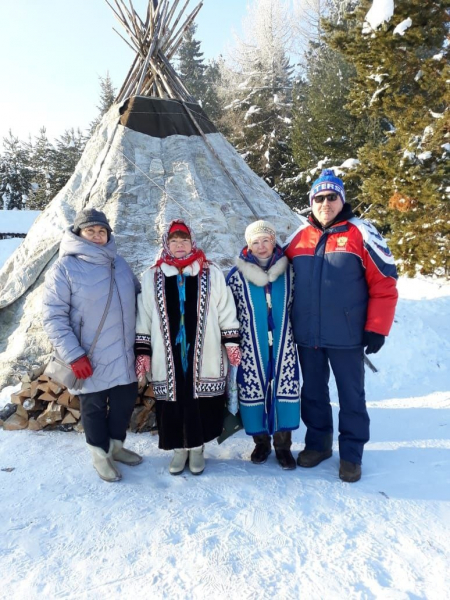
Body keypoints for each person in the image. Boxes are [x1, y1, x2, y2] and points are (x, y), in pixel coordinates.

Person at [285, 169, 398, 482]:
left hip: (346, 334)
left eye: (331, 197)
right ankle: (318, 444)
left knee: (351, 396)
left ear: (341, 199)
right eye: (319, 198)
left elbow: (385, 282)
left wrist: (377, 327)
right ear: (311, 201)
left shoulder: (361, 232)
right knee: (313, 393)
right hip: (308, 334)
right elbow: (272, 267)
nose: (325, 203)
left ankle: (351, 454)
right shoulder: (298, 236)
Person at [42, 208, 141, 483]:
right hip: (89, 355)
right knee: (94, 408)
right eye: (91, 231)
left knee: (123, 405)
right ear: (79, 233)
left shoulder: (119, 262)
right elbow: (53, 316)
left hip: (123, 353)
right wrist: (74, 355)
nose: (97, 236)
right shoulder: (64, 268)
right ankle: (100, 455)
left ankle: (116, 448)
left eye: (102, 231)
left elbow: (138, 297)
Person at [135, 220, 241, 476]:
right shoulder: (152, 276)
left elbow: (225, 309)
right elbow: (145, 316)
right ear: (167, 244)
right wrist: (143, 351)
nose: (179, 246)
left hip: (205, 352)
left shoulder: (210, 271)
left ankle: (197, 448)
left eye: (184, 241)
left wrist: (231, 342)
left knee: (201, 400)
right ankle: (178, 449)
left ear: (192, 243)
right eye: (174, 241)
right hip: (167, 353)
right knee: (173, 401)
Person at [227, 221, 300, 470]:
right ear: (248, 245)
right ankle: (261, 443)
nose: (261, 246)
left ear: (273, 241)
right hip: (251, 347)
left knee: (283, 389)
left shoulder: (289, 272)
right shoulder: (236, 277)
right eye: (255, 242)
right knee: (253, 391)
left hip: (283, 345)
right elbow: (227, 312)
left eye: (265, 240)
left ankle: (283, 447)